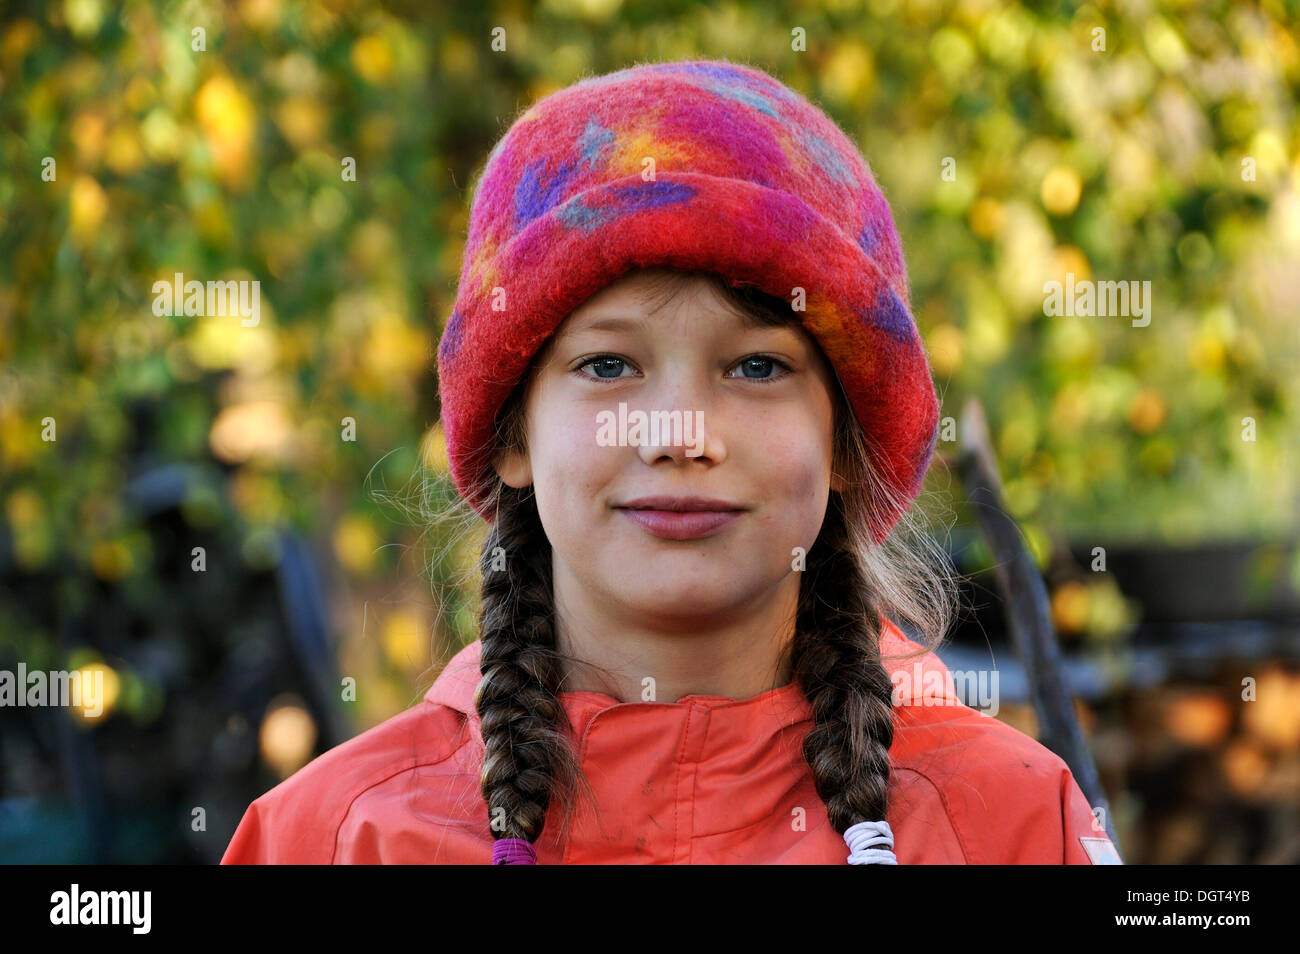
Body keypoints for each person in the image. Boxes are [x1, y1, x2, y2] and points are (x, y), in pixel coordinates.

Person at [221, 58, 1121, 865]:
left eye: (758, 366)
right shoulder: (338, 839)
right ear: (513, 436)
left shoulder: (1011, 827)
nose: (681, 433)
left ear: (843, 441)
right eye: (607, 366)